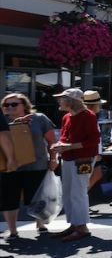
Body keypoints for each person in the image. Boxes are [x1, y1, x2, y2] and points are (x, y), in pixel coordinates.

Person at [1, 94, 57, 237]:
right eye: (6, 105)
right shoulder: (2, 121)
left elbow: (52, 141)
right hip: (8, 167)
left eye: (14, 104)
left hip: (37, 165)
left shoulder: (39, 119)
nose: (9, 107)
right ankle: (13, 230)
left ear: (24, 105)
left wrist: (53, 159)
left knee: (37, 197)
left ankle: (41, 224)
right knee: (9, 199)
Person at [49, 88, 99, 241]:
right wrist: (58, 145)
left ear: (71, 101)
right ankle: (75, 225)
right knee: (68, 193)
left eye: (62, 98)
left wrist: (68, 146)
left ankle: (82, 227)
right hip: (69, 158)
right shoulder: (66, 117)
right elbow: (65, 138)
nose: (59, 100)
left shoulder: (88, 116)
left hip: (83, 159)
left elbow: (93, 141)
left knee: (78, 193)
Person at [83, 91, 106, 194]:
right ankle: (82, 198)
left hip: (91, 153)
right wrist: (96, 152)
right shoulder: (87, 117)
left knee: (96, 174)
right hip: (88, 154)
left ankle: (83, 198)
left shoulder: (90, 116)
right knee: (85, 177)